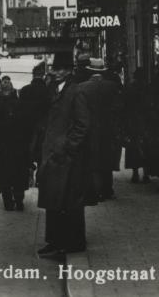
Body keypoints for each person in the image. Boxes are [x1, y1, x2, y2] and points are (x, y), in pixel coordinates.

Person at [37, 51, 93, 258]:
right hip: (54, 156)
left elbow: (83, 124)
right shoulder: (55, 90)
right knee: (54, 201)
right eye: (55, 68)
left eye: (61, 69)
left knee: (68, 203)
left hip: (67, 158)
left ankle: (70, 243)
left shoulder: (75, 92)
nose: (57, 72)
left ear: (69, 71)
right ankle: (54, 241)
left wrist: (68, 147)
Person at [78, 59, 123, 202]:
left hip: (89, 129)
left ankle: (94, 191)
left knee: (91, 160)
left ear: (90, 71)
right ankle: (107, 190)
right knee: (106, 159)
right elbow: (119, 108)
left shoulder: (82, 87)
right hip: (107, 129)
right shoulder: (112, 87)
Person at [0, 76, 34, 211]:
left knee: (4, 174)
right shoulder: (21, 105)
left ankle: (8, 202)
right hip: (19, 146)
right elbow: (27, 127)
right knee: (19, 173)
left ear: (0, 90)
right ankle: (19, 200)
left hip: (2, 147)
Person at [124, 68, 151, 183]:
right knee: (145, 147)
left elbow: (125, 106)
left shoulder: (130, 88)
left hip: (132, 121)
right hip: (145, 121)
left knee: (133, 148)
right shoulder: (146, 88)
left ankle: (135, 173)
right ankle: (146, 173)